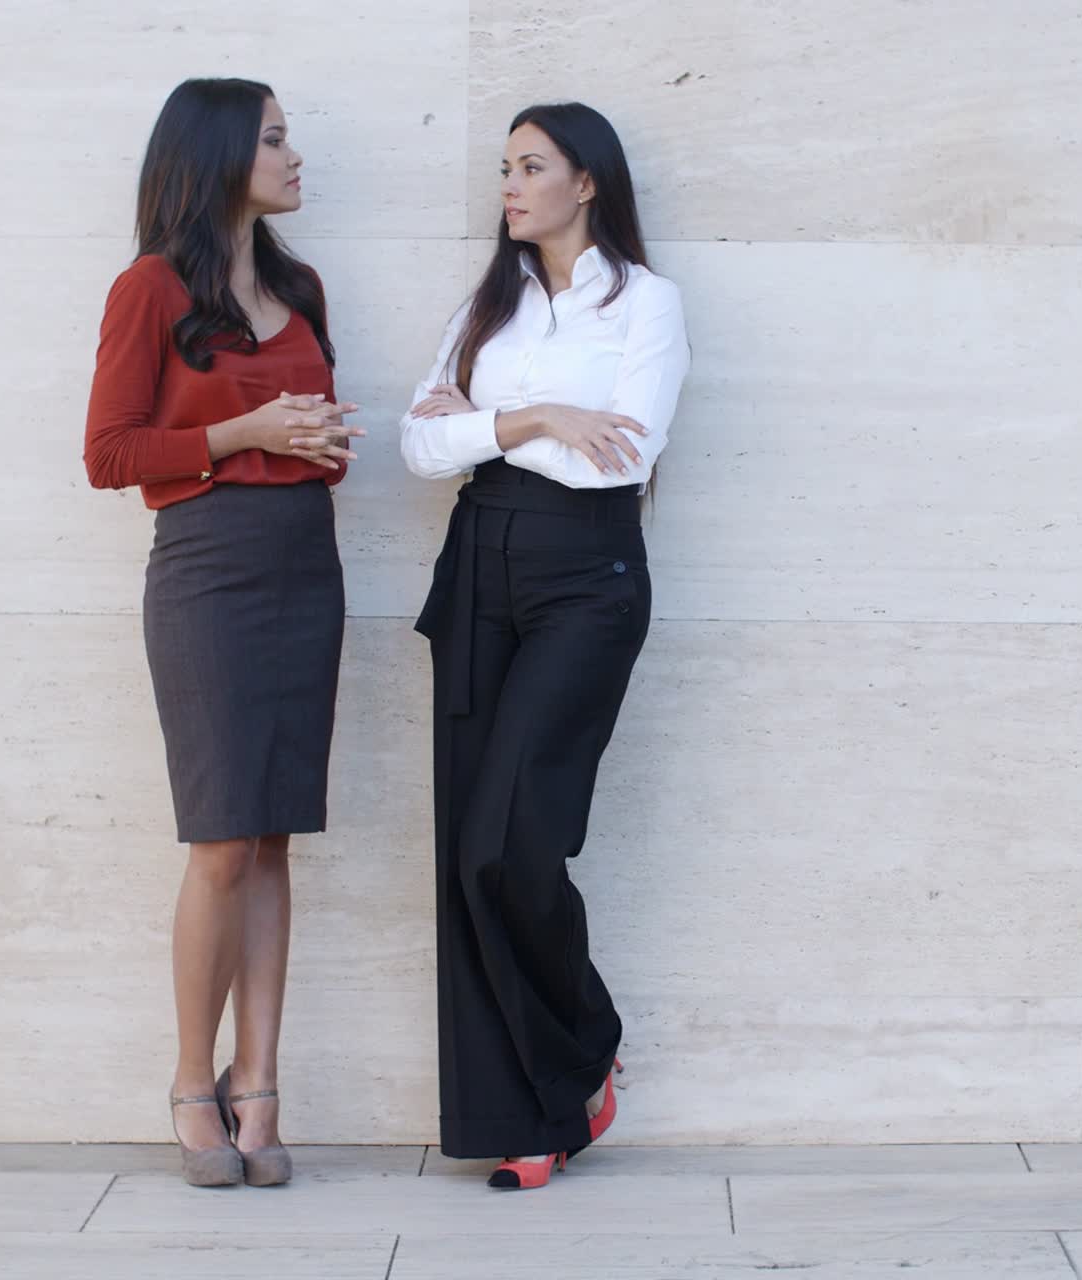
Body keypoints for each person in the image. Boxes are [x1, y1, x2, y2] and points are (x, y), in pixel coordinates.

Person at [401, 101, 690, 1190]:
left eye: (532, 166)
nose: (510, 185)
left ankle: (585, 1041)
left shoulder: (645, 303)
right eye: (504, 166)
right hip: (478, 572)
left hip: (586, 579)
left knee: (506, 844)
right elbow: (419, 446)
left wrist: (483, 416)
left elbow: (622, 455)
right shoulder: (489, 303)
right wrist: (533, 418)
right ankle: (528, 1114)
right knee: (462, 858)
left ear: (588, 183)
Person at [83, 77, 361, 1187]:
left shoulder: (302, 284)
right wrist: (243, 427)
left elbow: (318, 432)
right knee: (220, 838)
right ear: (215, 157)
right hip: (205, 571)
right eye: (276, 140)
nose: (296, 158)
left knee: (275, 833)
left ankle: (262, 1088)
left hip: (304, 559)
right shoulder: (149, 288)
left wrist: (319, 443)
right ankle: (192, 1083)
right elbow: (108, 453)